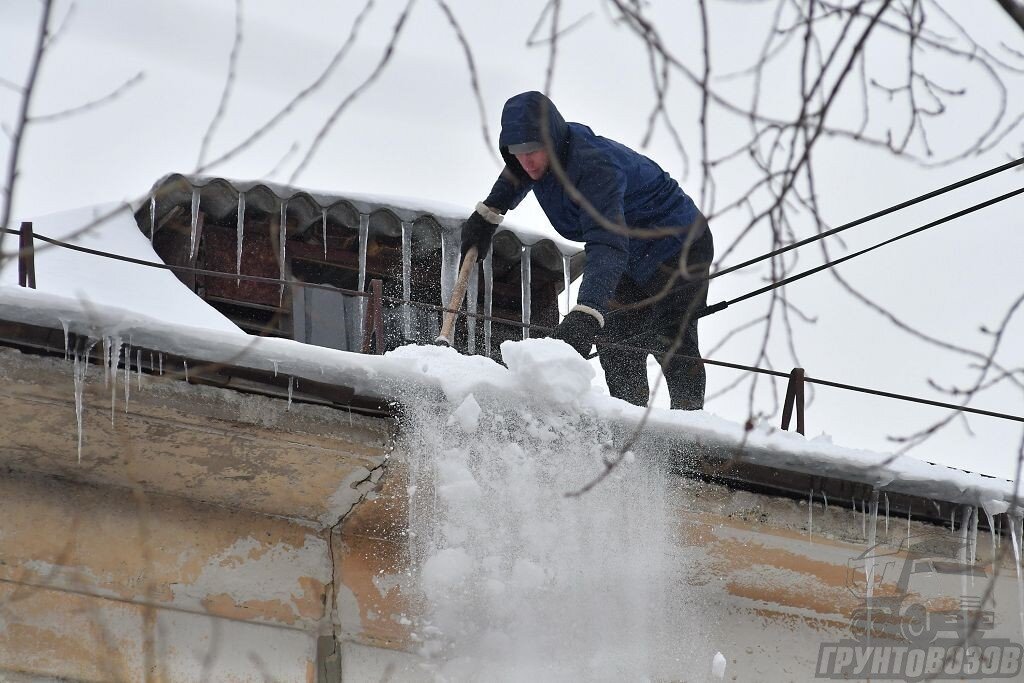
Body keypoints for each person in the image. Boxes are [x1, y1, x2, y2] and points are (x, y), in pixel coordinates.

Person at [461, 91, 713, 410]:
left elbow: (607, 244)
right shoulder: (533, 161)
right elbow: (517, 173)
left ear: (551, 140)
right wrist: (488, 214)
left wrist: (587, 312)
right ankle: (632, 426)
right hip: (630, 252)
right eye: (517, 151)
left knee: (671, 334)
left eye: (533, 150)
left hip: (679, 244)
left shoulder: (593, 167)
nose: (527, 160)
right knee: (614, 338)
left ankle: (689, 435)